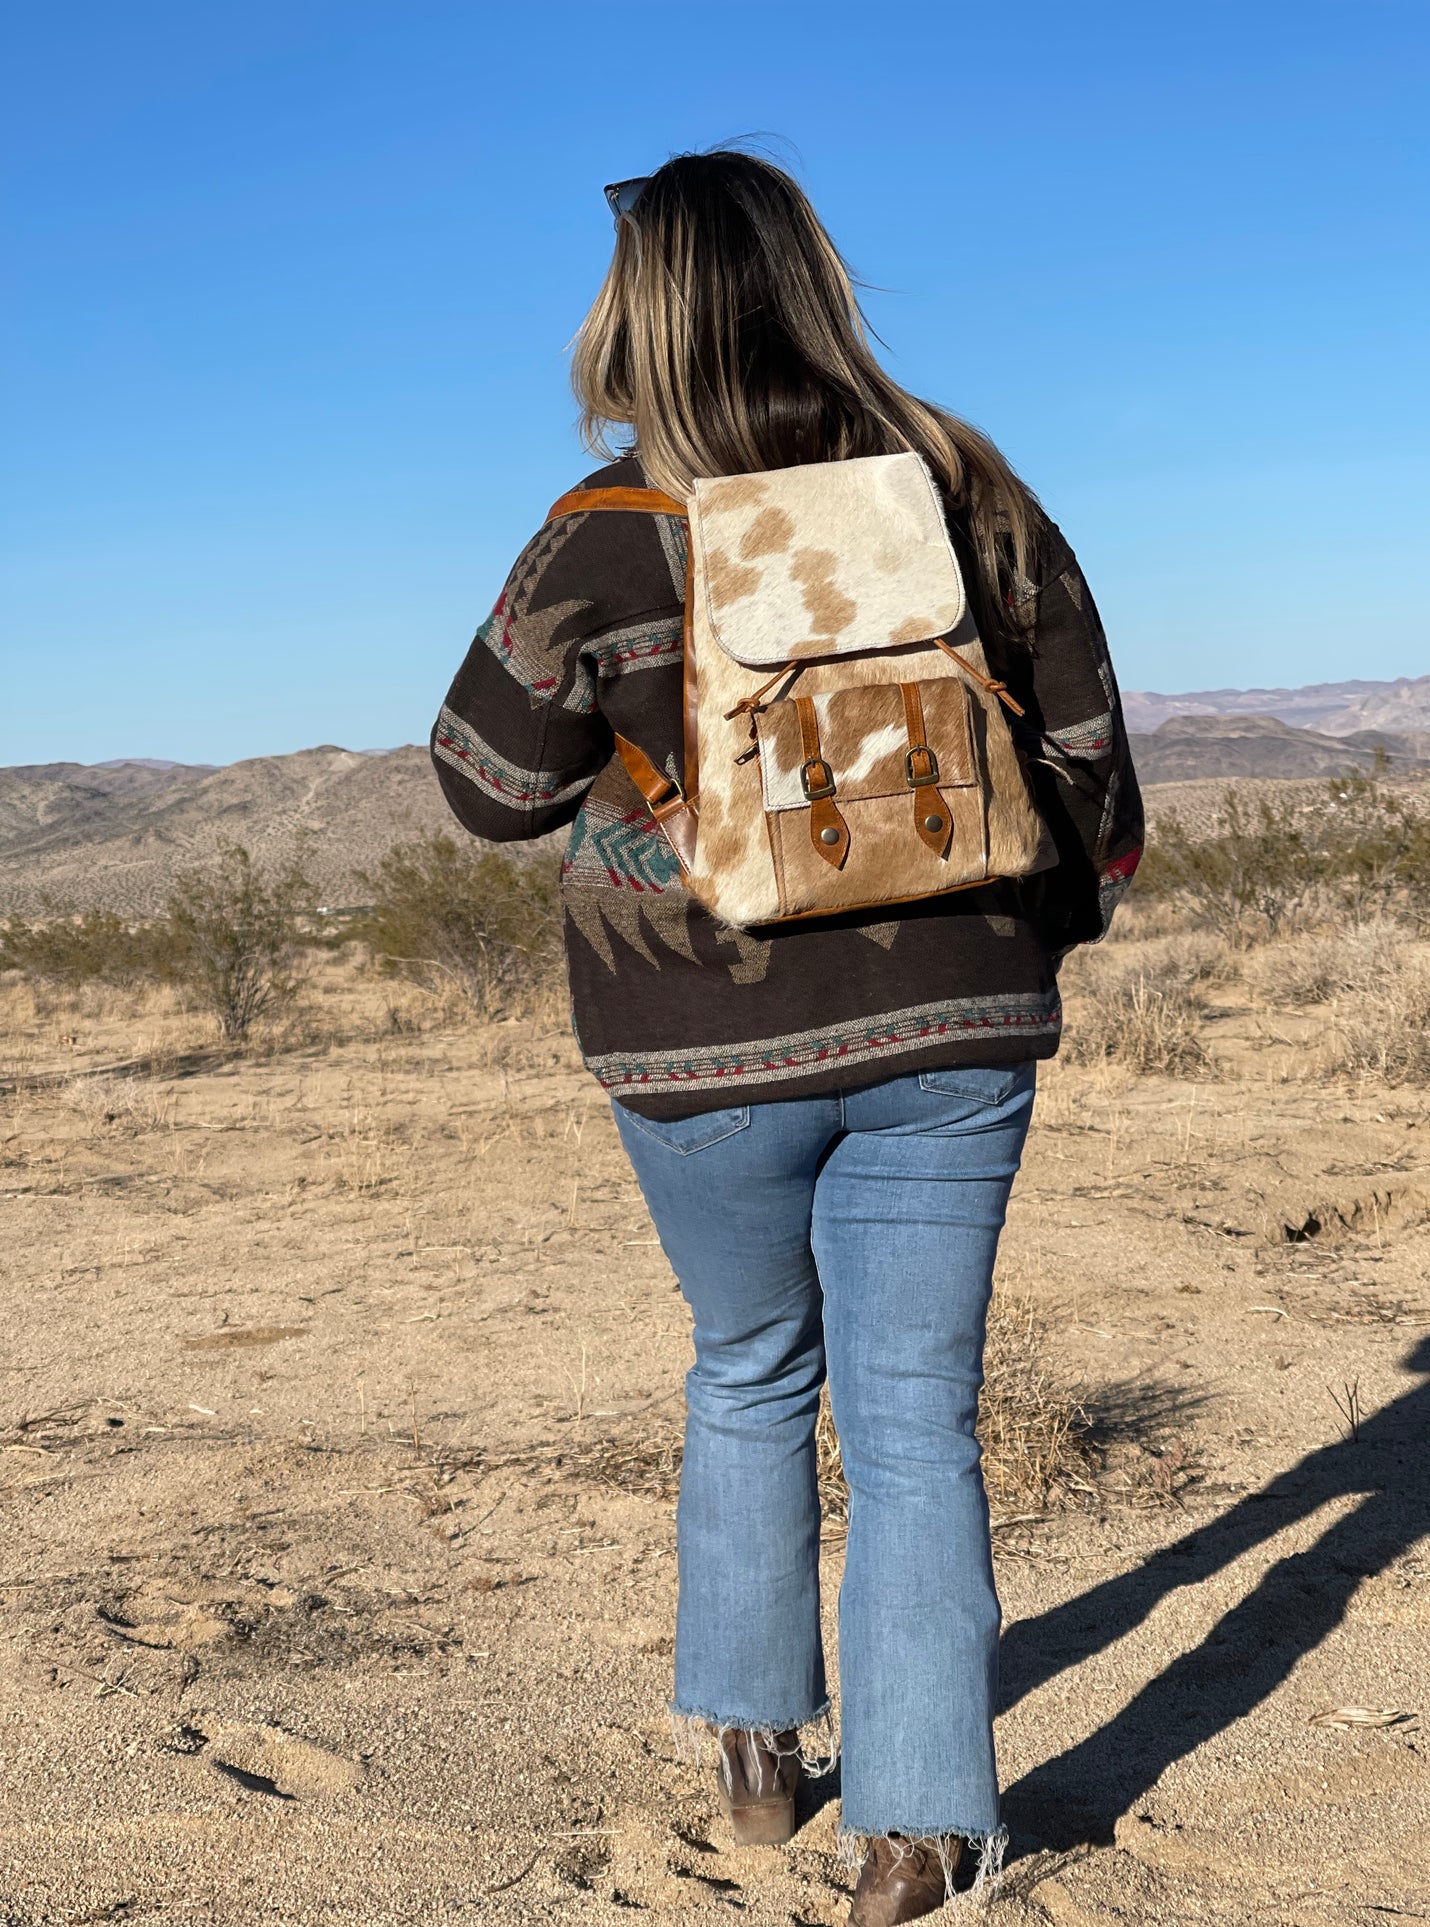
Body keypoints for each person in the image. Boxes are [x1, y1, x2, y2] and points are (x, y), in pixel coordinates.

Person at [431, 151, 1143, 1926]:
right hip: (955, 1023)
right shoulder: (963, 486)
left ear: (633, 307)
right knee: (916, 1414)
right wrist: (1023, 943)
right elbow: (1091, 767)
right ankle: (915, 1830)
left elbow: (491, 789)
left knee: (749, 1366)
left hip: (695, 1039)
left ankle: (754, 1751)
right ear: (813, 281)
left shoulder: (606, 528)